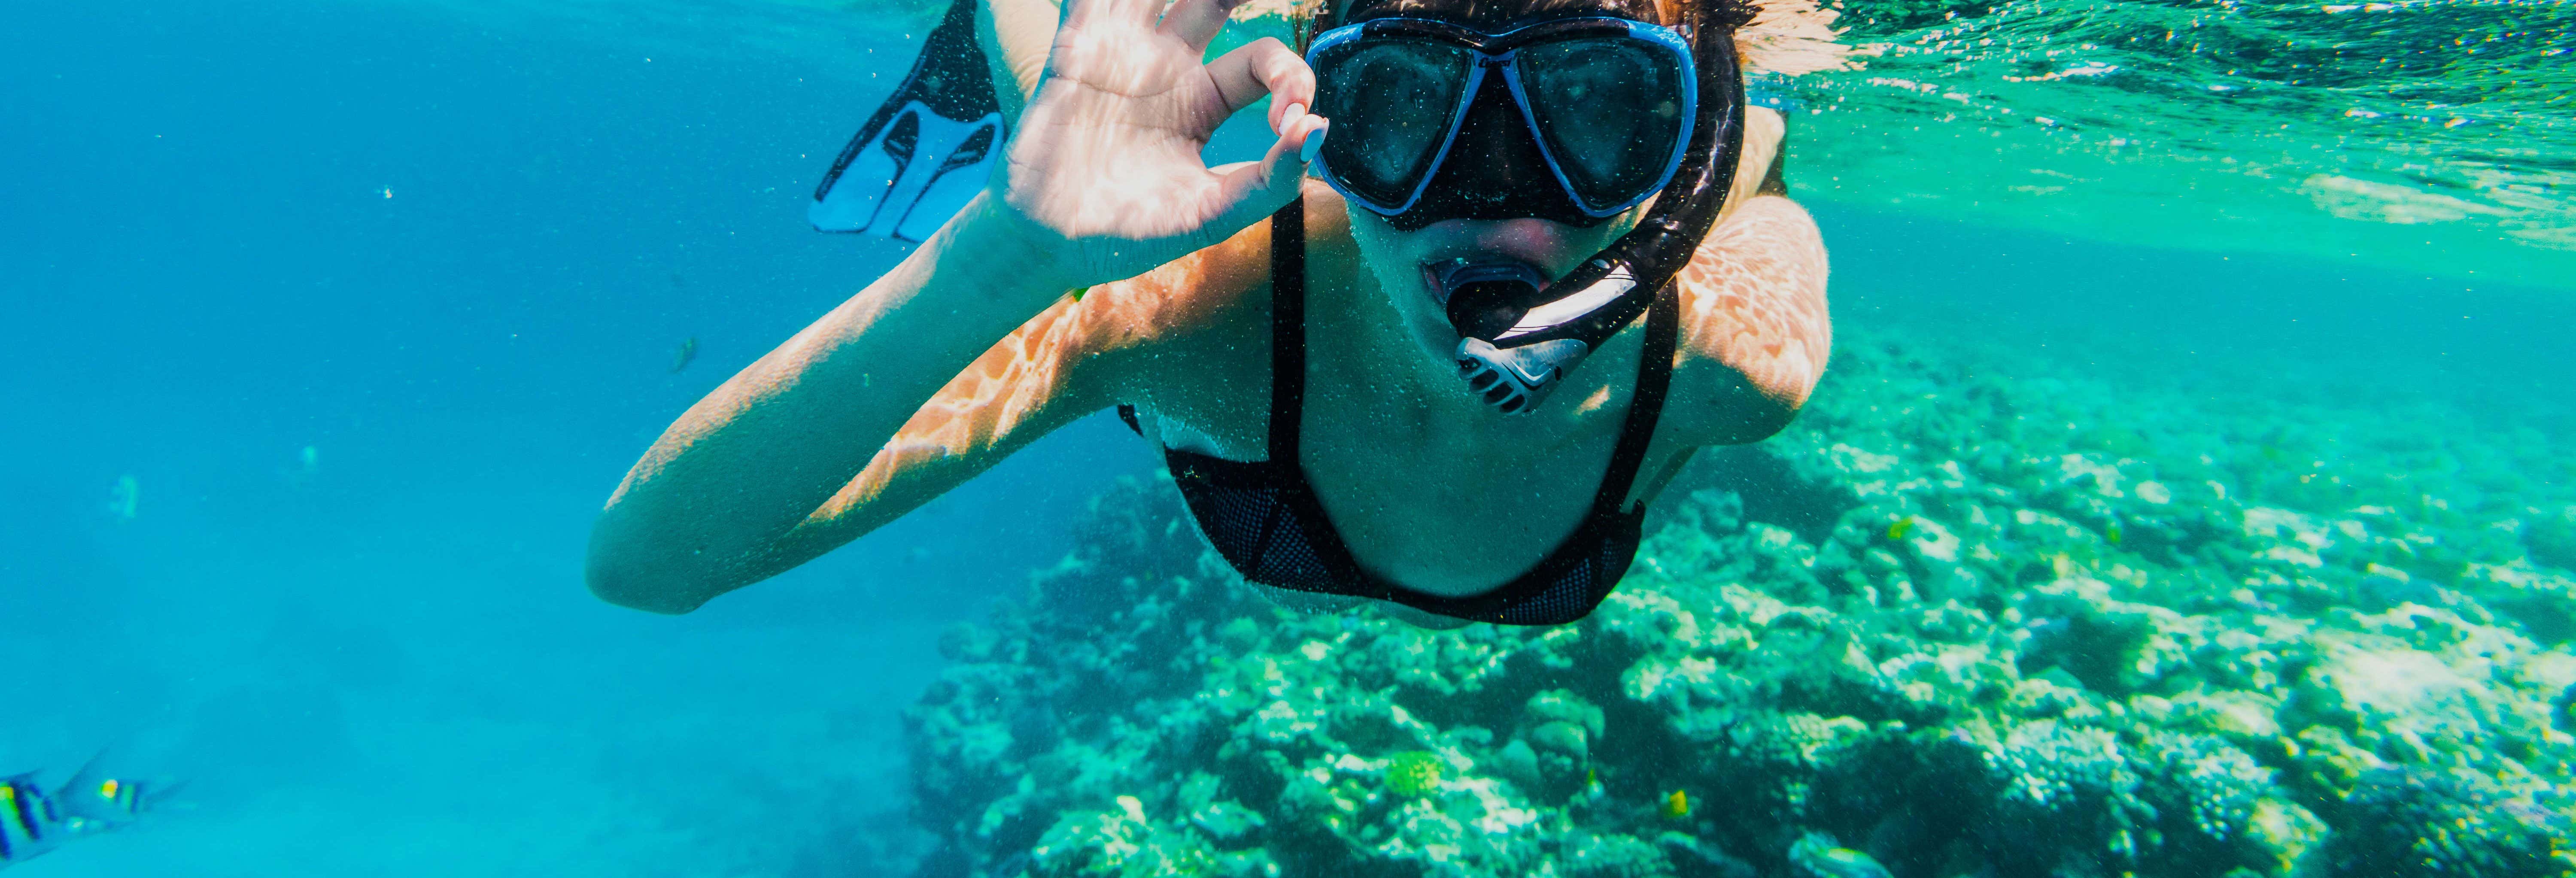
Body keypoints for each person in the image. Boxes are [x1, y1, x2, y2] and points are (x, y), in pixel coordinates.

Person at [584, 0, 1834, 626]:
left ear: (1675, 151)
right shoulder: (1184, 313)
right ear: (1318, 113)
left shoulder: (1731, 355)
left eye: (1597, 112)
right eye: (1400, 107)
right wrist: (1008, 258)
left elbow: (1743, 192)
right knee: (1077, 117)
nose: (1496, 206)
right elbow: (647, 567)